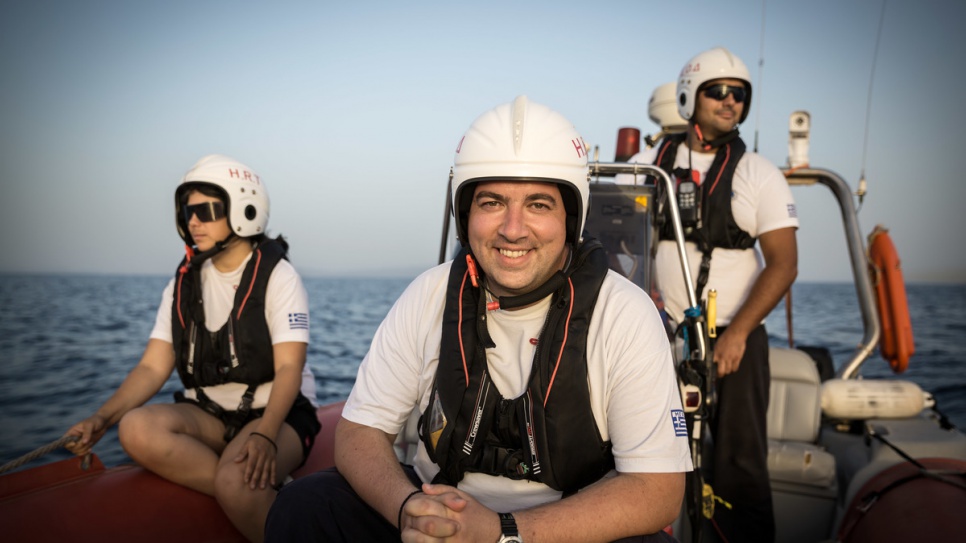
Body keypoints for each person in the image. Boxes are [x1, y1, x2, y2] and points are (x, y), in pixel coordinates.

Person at [265, 96, 692, 543]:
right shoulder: (428, 296)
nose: (512, 229)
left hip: (560, 532)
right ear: (465, 213)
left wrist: (502, 533)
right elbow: (360, 431)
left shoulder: (623, 311)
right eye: (492, 202)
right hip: (437, 514)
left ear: (571, 216)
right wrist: (409, 509)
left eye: (539, 205)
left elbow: (658, 490)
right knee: (305, 506)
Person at [65, 154, 320, 542]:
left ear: (243, 210)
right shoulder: (184, 283)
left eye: (205, 210)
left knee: (236, 479)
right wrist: (103, 418)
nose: (192, 222)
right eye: (187, 211)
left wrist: (265, 437)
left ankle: (243, 487)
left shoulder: (278, 276)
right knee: (134, 427)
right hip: (211, 413)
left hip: (277, 414)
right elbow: (153, 367)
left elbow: (289, 368)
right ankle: (243, 488)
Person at [617, 47, 799, 542]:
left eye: (738, 94)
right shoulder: (647, 164)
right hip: (659, 336)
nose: (729, 102)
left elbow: (784, 264)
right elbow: (612, 239)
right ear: (688, 97)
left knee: (740, 464)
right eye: (717, 91)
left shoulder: (758, 173)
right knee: (638, 452)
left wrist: (737, 333)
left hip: (735, 339)